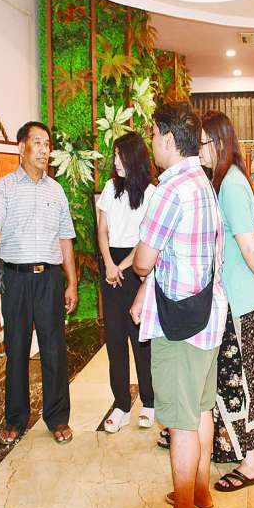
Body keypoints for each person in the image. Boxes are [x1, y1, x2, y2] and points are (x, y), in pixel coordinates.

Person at [131, 102, 228, 508]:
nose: (152, 142)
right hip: (207, 314)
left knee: (180, 422)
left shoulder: (170, 189)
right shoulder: (203, 181)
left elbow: (143, 261)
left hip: (180, 324)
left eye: (154, 135)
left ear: (169, 139)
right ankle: (200, 492)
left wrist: (142, 264)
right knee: (201, 409)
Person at [0, 121, 77, 446]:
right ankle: (15, 418)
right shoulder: (4, 188)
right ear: (21, 147)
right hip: (15, 279)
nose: (44, 150)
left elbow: (65, 239)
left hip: (50, 279)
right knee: (16, 349)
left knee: (54, 350)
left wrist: (71, 282)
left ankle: (58, 418)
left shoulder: (56, 191)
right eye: (37, 143)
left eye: (47, 144)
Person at [201, 111, 254, 491]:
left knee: (243, 379)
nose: (199, 150)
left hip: (240, 300)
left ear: (218, 143)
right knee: (230, 378)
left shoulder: (230, 184)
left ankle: (252, 463)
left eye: (202, 143)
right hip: (228, 297)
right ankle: (234, 447)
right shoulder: (222, 181)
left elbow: (248, 242)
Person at [96, 131, 156, 433]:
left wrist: (120, 266)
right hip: (111, 266)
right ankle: (121, 404)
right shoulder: (110, 188)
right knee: (115, 339)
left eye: (121, 156)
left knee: (140, 339)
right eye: (114, 156)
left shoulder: (151, 193)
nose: (116, 162)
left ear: (134, 157)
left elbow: (147, 239)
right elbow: (102, 230)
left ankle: (149, 401)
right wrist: (109, 263)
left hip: (136, 268)